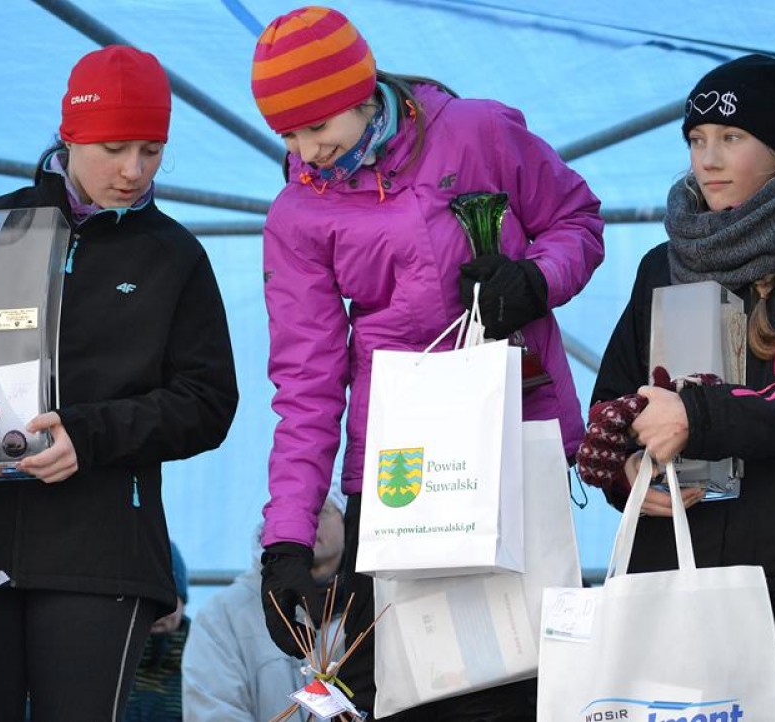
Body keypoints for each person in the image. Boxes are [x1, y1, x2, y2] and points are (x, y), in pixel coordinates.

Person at [249, 6, 604, 719]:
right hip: (399, 469)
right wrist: (286, 539)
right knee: (395, 687)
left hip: (509, 440)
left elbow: (577, 221)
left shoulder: (476, 131)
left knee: (524, 677)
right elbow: (307, 385)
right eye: (287, 134)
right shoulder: (297, 214)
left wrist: (534, 280)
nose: (306, 150)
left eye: (317, 126)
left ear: (360, 91)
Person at [0, 45, 238, 721]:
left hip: (103, 549)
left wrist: (90, 435)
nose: (133, 170)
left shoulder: (174, 256)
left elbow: (209, 401)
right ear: (69, 134)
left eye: (152, 150)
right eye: (114, 148)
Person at [579, 54, 775, 722]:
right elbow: (614, 403)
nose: (708, 159)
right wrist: (626, 470)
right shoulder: (661, 264)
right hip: (666, 566)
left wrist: (696, 415)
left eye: (731, 137)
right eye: (696, 139)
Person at [182, 487, 347, 721]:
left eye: (321, 509)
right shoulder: (223, 614)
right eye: (294, 512)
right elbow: (212, 710)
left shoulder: (370, 608)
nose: (308, 521)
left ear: (346, 521)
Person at [124, 542, 191, 722]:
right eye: (146, 601)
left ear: (183, 604)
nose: (158, 612)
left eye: (167, 601)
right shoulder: (105, 666)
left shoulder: (206, 663)